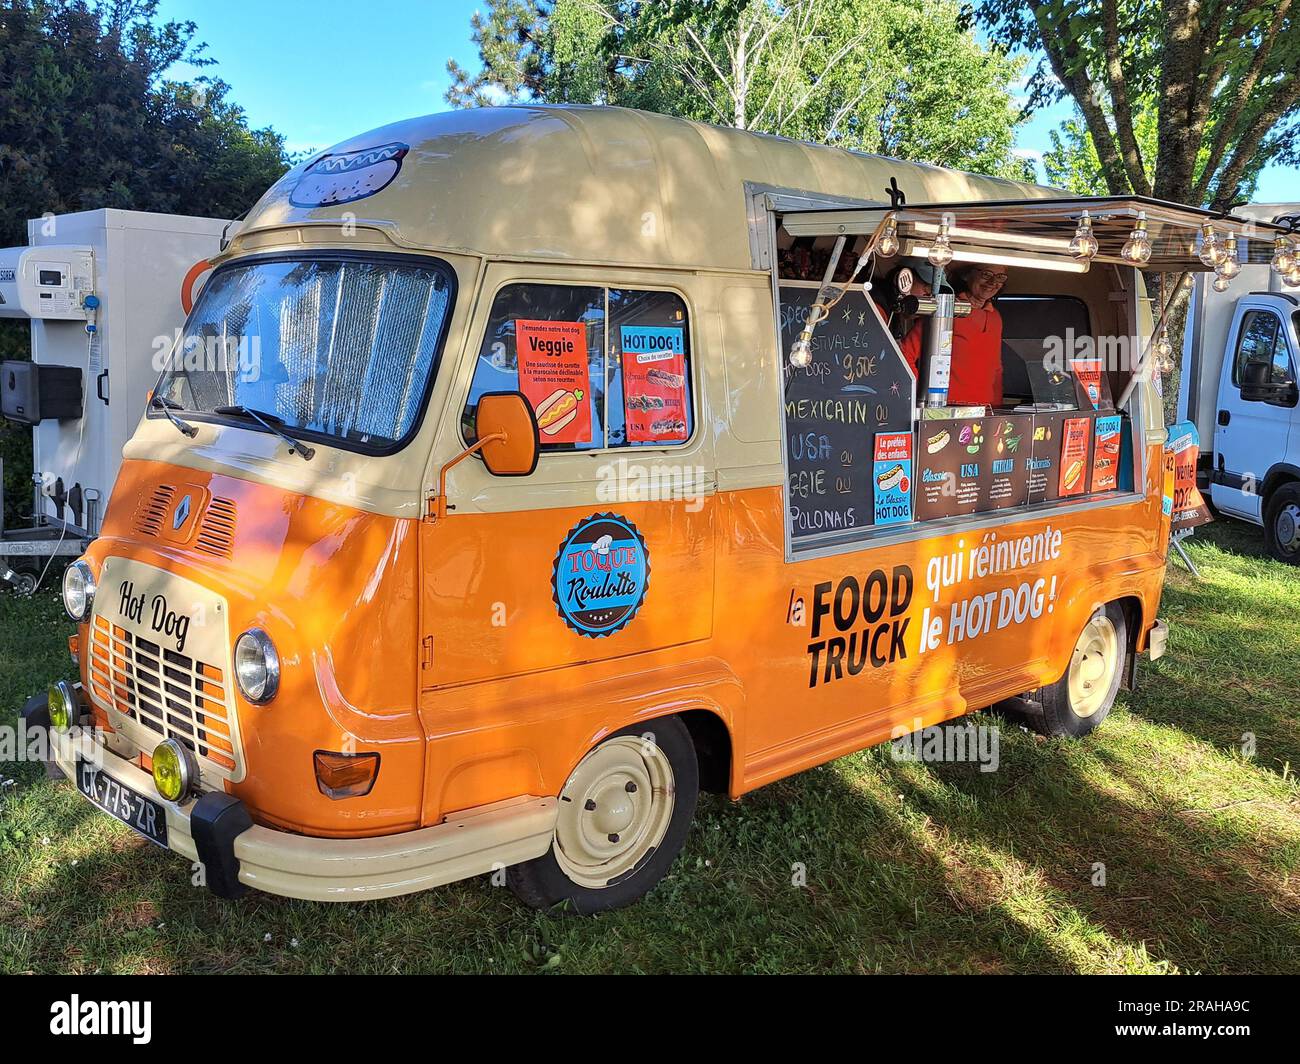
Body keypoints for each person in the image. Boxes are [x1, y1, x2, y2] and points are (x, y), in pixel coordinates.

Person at [946, 264, 1008, 408]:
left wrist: (996, 409)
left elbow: (996, 368)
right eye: (986, 274)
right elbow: (908, 354)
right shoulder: (948, 308)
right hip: (947, 407)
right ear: (966, 275)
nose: (993, 282)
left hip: (985, 410)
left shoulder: (995, 317)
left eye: (1000, 277)